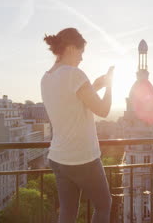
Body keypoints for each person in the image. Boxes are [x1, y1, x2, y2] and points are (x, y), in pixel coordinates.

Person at [40, 28, 113, 222]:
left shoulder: (46, 78)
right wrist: (110, 86)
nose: (81, 58)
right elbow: (104, 110)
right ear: (72, 48)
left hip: (58, 157)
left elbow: (71, 101)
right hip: (82, 158)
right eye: (81, 52)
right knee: (104, 205)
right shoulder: (74, 74)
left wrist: (95, 86)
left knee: (68, 212)